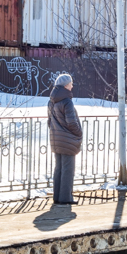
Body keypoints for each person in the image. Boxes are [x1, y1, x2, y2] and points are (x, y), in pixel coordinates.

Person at [48, 73, 82, 205]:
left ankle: (57, 197)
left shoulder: (51, 101)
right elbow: (71, 123)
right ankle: (66, 198)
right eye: (71, 83)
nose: (72, 86)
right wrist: (78, 133)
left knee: (59, 168)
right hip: (68, 140)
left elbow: (49, 121)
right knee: (68, 169)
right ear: (66, 85)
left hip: (56, 139)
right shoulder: (67, 102)